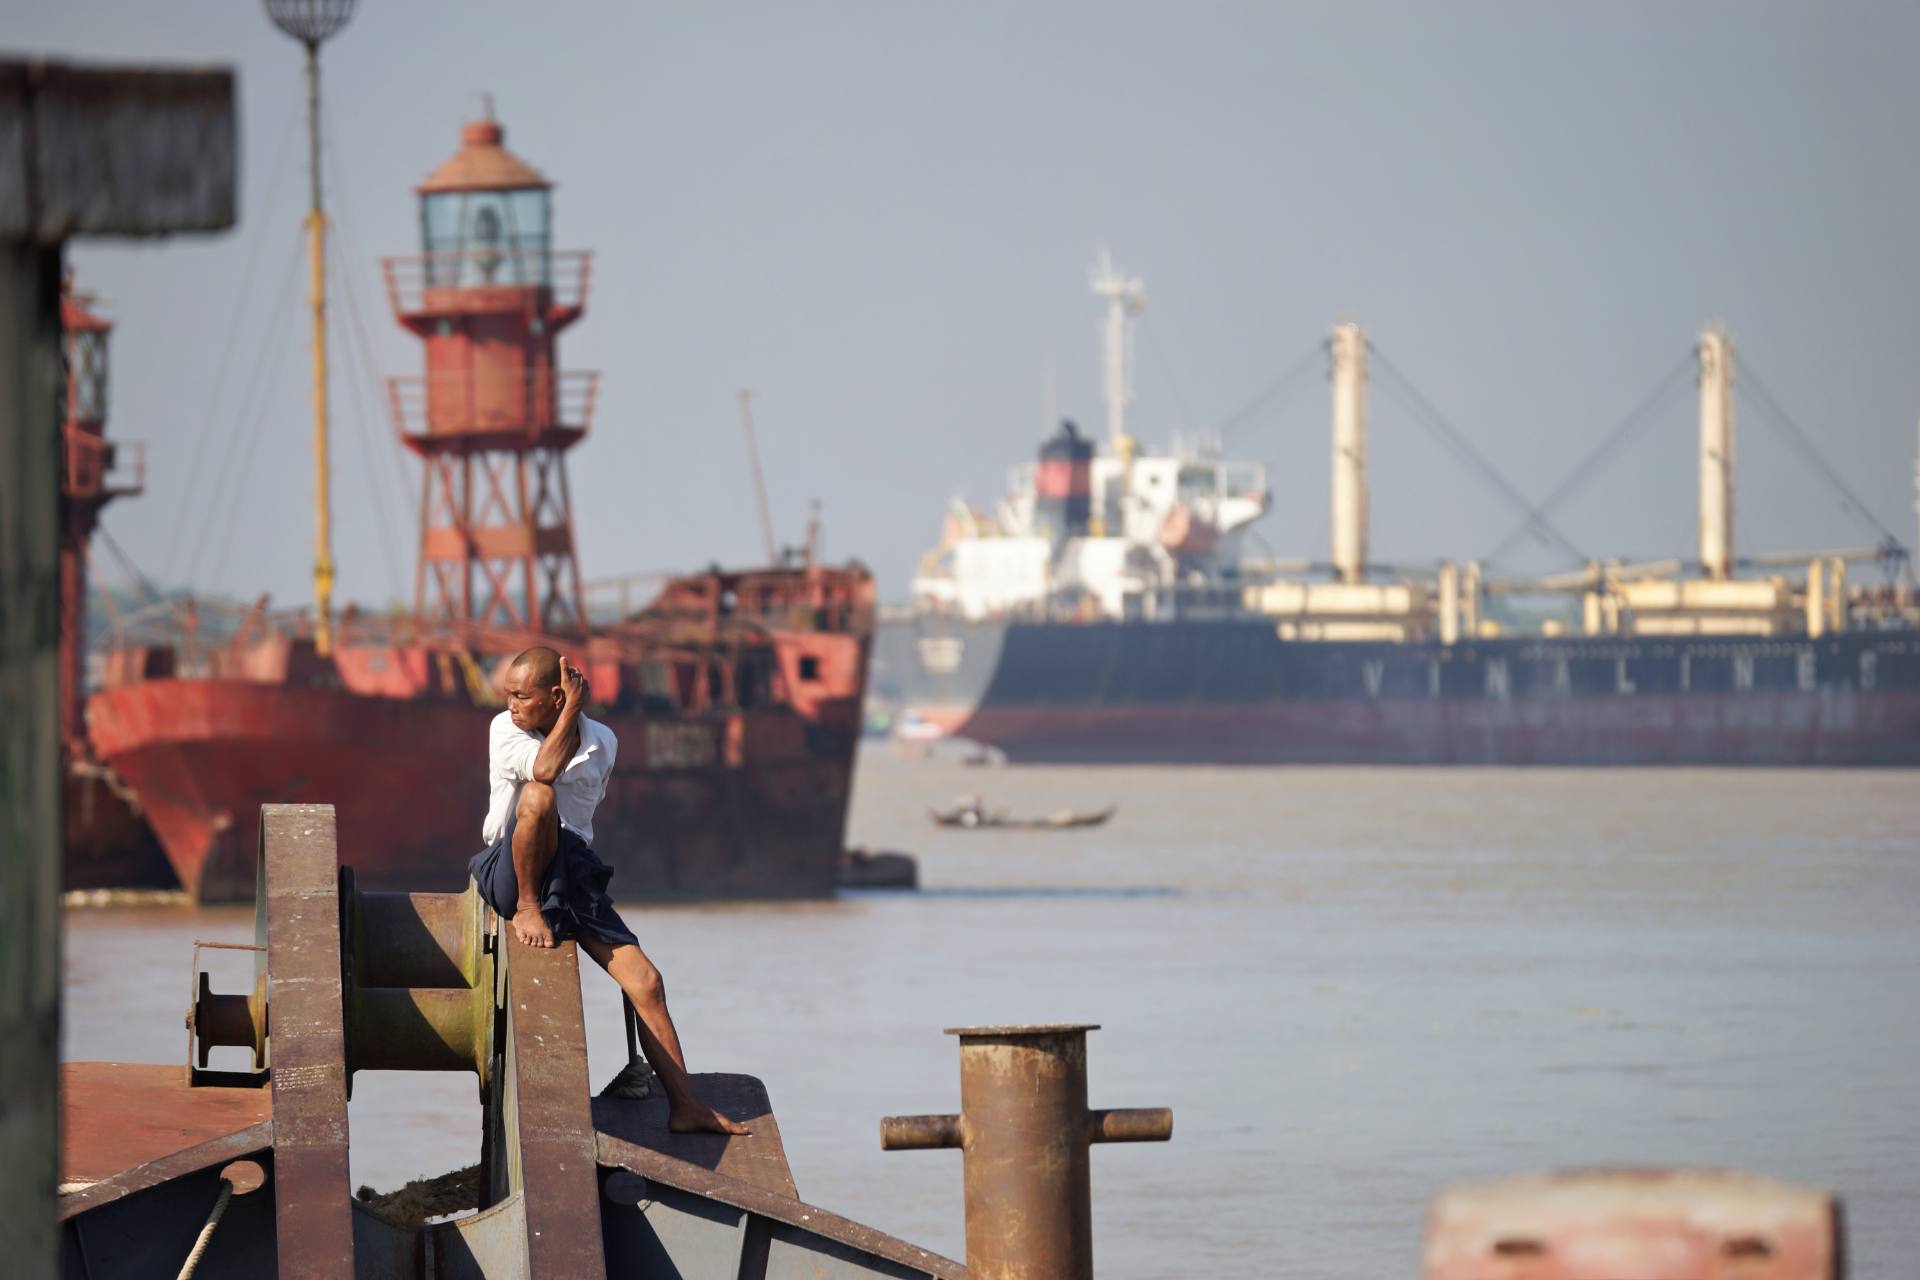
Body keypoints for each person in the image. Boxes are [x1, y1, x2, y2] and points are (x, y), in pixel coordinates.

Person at [467, 645, 748, 1136]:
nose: (510, 703)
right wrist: (572, 709)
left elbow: (576, 823)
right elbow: (545, 774)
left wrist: (573, 714)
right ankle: (531, 908)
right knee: (539, 796)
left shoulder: (604, 742)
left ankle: (686, 1106)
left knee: (647, 982)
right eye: (508, 694)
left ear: (555, 695)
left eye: (521, 695)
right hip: (512, 868)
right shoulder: (503, 729)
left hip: (572, 869)